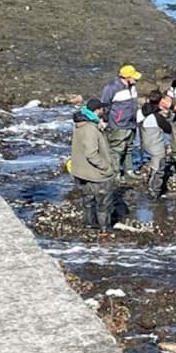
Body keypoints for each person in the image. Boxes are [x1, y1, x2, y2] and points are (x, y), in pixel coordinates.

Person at [69, 99, 117, 239]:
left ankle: (89, 225)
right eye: (101, 109)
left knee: (87, 200)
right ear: (97, 110)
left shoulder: (80, 124)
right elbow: (91, 153)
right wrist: (106, 167)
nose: (103, 111)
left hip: (81, 171)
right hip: (95, 173)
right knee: (103, 203)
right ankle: (104, 230)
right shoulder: (90, 128)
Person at [98, 64, 142, 178]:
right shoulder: (111, 88)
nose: (136, 79)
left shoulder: (131, 87)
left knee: (129, 148)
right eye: (134, 77)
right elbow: (104, 106)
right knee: (117, 150)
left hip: (131, 123)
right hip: (118, 124)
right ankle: (115, 174)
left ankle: (129, 172)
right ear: (126, 77)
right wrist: (105, 120)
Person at [136, 90, 173, 198]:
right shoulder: (156, 117)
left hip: (144, 144)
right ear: (160, 101)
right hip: (156, 146)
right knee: (159, 168)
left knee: (153, 166)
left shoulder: (141, 111)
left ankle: (150, 185)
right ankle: (155, 192)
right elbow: (168, 129)